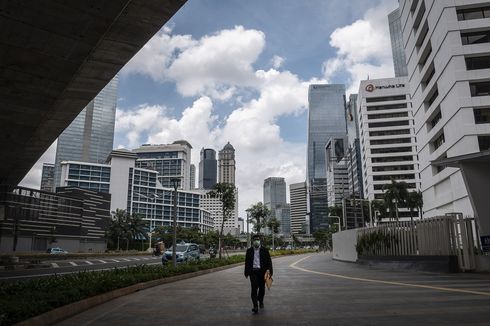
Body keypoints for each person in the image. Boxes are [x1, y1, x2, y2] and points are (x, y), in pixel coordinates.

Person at [244, 234, 273, 314]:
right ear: (252, 241)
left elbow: (269, 261)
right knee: (253, 288)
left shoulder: (265, 250)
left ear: (260, 241)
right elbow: (247, 262)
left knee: (262, 289)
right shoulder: (249, 251)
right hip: (253, 272)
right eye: (255, 239)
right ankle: (255, 306)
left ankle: (260, 300)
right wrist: (246, 272)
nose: (256, 241)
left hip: (262, 272)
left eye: (258, 239)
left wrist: (269, 270)